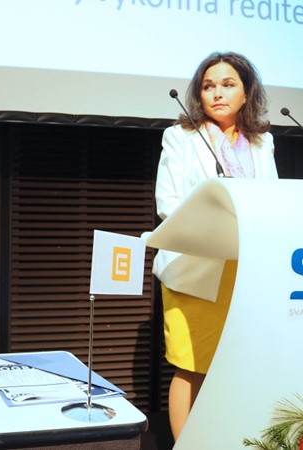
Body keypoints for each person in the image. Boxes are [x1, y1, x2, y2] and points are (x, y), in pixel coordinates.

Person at [153, 52, 278, 439]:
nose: (217, 93)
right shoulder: (181, 137)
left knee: (236, 365)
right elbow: (168, 203)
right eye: (209, 86)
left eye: (228, 84)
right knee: (191, 366)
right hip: (194, 268)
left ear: (246, 93)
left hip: (245, 270)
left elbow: (272, 200)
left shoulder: (262, 142)